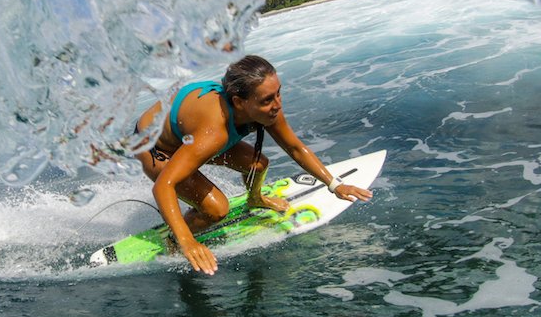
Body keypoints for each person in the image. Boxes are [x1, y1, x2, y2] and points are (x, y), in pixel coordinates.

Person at [135, 55, 373, 275]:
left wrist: (333, 184)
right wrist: (187, 240)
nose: (277, 104)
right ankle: (173, 239)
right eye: (268, 99)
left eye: (278, 93)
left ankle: (255, 198)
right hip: (154, 146)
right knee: (216, 210)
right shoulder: (214, 132)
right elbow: (164, 185)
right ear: (239, 102)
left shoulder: (266, 109)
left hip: (189, 135)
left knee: (257, 164)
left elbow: (295, 148)